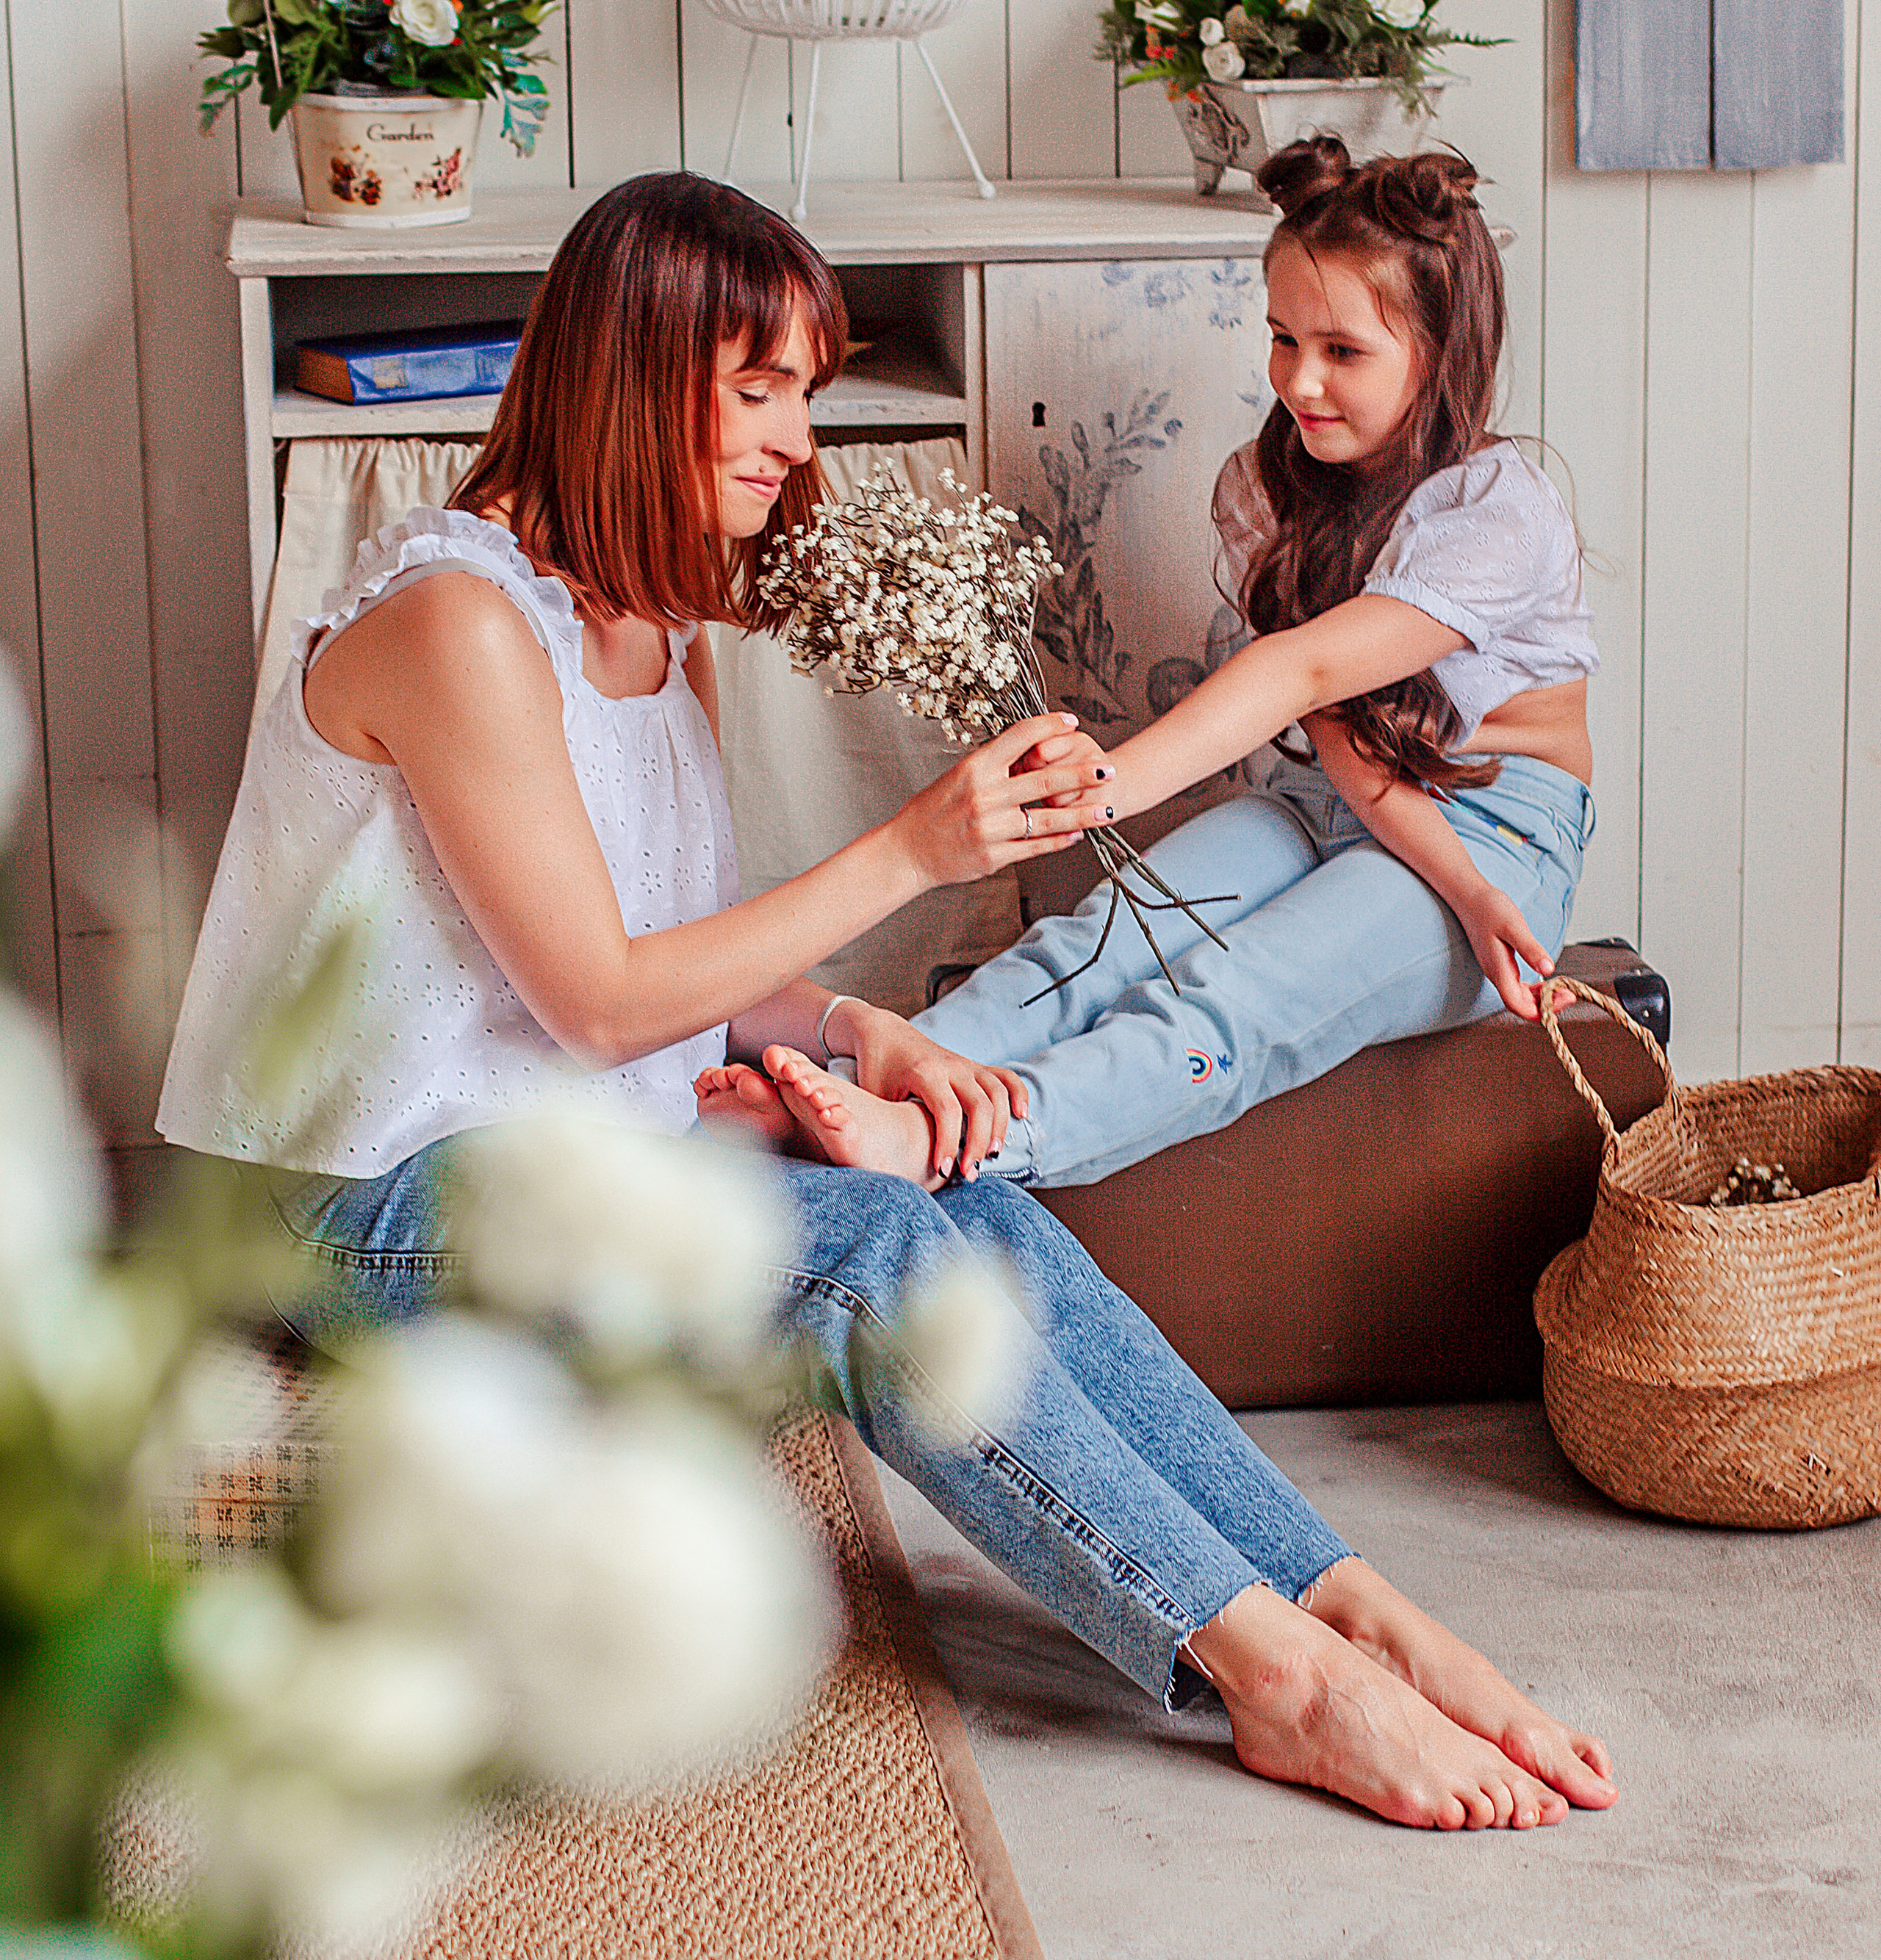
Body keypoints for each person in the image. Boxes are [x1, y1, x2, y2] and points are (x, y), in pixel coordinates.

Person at [157, 169, 1612, 1832]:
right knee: (872, 1256)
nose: (797, 440)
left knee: (967, 1201)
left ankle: (1343, 1601)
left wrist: (854, 1033)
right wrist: (913, 849)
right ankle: (1266, 1677)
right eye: (756, 391)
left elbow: (643, 956)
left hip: (540, 1156)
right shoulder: (455, 624)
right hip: (354, 1210)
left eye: (808, 390)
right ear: (633, 378)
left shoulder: (637, 624)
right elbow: (603, 1003)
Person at [708, 137, 1598, 1196]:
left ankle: (963, 1141)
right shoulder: (1269, 488)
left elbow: (1304, 673)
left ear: (1441, 348)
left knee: (1235, 994)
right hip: (1330, 795)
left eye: (1341, 352)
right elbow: (1336, 732)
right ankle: (873, 1081)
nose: (1298, 382)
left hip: (1496, 828)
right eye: (1281, 338)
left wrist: (1469, 888)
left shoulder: (1497, 512)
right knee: (1092, 942)